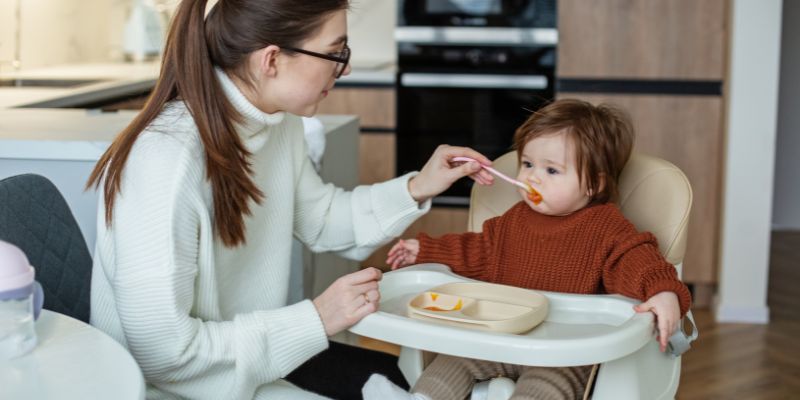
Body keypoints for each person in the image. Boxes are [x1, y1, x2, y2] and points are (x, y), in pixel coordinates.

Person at [85, 1, 495, 399]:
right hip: (164, 386)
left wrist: (418, 186)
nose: (346, 67)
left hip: (242, 364)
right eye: (335, 52)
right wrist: (316, 318)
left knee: (386, 374)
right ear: (272, 60)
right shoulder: (166, 161)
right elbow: (163, 355)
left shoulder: (278, 125)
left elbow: (322, 220)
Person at [362, 99, 693, 400]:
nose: (533, 178)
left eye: (551, 170)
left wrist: (664, 292)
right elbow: (476, 252)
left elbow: (640, 261)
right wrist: (426, 250)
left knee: (547, 388)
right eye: (528, 164)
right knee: (452, 363)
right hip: (501, 337)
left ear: (594, 183)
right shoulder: (515, 221)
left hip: (561, 353)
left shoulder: (606, 229)